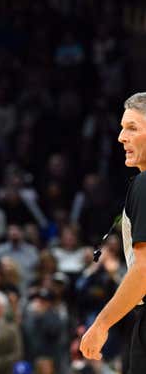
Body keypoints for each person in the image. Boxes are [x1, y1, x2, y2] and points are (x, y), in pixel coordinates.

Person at [80, 92, 146, 372]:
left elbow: (144, 271)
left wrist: (101, 324)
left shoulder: (144, 184)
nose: (121, 136)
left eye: (132, 128)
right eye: (122, 127)